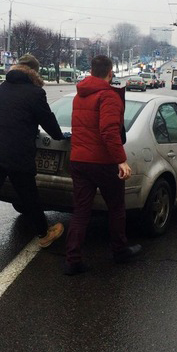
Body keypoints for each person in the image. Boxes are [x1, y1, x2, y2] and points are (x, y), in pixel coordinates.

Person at [0, 54, 67, 265]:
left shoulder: (3, 88)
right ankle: (44, 235)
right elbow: (48, 121)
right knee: (29, 196)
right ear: (34, 72)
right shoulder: (35, 92)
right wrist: (60, 136)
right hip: (18, 154)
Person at [64, 55, 141, 275]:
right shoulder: (108, 96)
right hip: (102, 162)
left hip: (79, 160)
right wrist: (121, 160)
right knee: (116, 208)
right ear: (110, 72)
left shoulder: (80, 95)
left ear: (91, 70)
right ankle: (119, 251)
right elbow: (109, 131)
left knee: (80, 212)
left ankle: (73, 260)